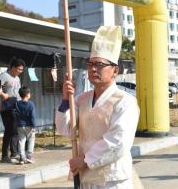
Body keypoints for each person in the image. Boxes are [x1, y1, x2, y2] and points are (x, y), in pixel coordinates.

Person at [56, 26, 140, 188]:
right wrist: (66, 100)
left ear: (115, 70)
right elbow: (65, 130)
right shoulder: (82, 99)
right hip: (85, 176)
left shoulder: (125, 101)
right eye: (90, 64)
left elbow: (118, 141)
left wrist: (87, 160)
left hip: (112, 178)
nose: (93, 69)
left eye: (100, 64)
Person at [0, 58, 25, 163]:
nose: (20, 71)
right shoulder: (5, 76)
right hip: (7, 108)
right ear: (13, 68)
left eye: (22, 70)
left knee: (15, 131)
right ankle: (5, 155)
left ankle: (14, 153)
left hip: (17, 106)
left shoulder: (17, 78)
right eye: (19, 69)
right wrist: (3, 94)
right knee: (9, 131)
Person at [4, 86, 37, 164]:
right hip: (29, 125)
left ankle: (22, 158)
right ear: (27, 94)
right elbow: (32, 116)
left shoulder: (17, 103)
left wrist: (6, 100)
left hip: (19, 125)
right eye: (29, 93)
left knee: (21, 141)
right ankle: (29, 156)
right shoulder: (31, 104)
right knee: (31, 140)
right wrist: (34, 126)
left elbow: (9, 106)